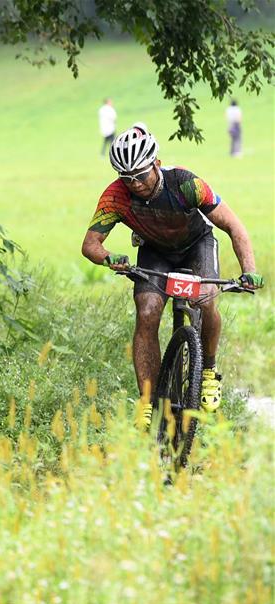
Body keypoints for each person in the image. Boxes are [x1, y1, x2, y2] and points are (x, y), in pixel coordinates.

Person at [80, 123, 264, 427]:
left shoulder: (186, 184)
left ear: (156, 164)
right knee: (148, 311)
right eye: (126, 178)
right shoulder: (116, 197)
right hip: (155, 252)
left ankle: (208, 372)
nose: (135, 183)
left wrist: (249, 271)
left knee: (205, 301)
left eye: (140, 174)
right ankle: (147, 401)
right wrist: (109, 257)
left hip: (197, 245)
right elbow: (90, 245)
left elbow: (233, 226)